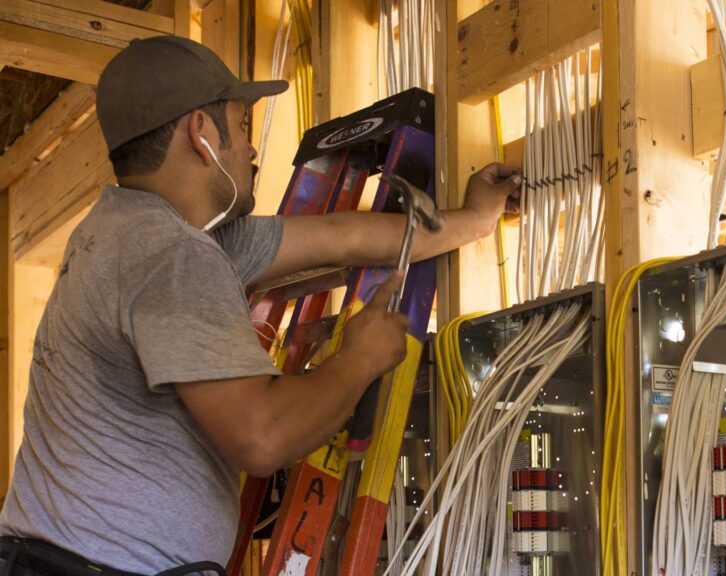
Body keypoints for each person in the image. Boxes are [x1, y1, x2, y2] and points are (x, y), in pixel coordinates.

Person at [0, 35, 521, 575]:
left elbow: (342, 237)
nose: (252, 150)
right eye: (243, 124)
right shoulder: (170, 255)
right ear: (202, 134)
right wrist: (360, 357)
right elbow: (262, 435)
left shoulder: (132, 230)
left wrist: (474, 220)